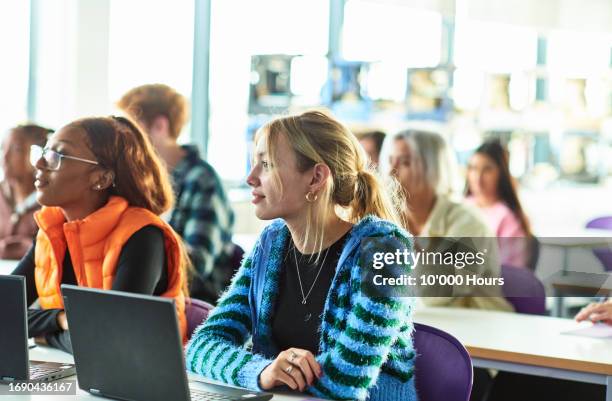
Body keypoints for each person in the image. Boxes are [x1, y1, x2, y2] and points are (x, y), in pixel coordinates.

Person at [186, 110, 417, 401]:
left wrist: (277, 375)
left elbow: (347, 378)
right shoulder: (271, 244)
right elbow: (201, 346)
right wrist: (264, 371)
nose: (251, 177)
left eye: (266, 164)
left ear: (316, 177)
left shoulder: (385, 249)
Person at [11, 116, 189, 353]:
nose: (40, 163)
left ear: (101, 178)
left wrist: (43, 335)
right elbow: (4, 313)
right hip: (73, 374)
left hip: (144, 382)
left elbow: (107, 341)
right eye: (43, 151)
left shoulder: (142, 236)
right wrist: (59, 320)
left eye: (57, 156)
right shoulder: (51, 230)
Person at [117, 84, 236, 304]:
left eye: (132, 130)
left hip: (197, 303)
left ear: (160, 126)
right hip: (156, 298)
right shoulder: (144, 181)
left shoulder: (201, 179)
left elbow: (198, 265)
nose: (126, 141)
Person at [385, 129, 512, 311]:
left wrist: (407, 244)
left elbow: (434, 293)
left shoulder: (469, 224)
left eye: (405, 162)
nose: (391, 172)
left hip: (477, 332)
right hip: (425, 329)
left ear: (432, 168)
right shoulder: (391, 218)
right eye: (390, 161)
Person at [466, 139, 533, 269]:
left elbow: (508, 273)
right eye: (473, 168)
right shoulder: (459, 207)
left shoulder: (507, 218)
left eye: (487, 170)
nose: (478, 177)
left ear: (501, 174)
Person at [0, 125, 51, 259]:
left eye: (16, 149)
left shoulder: (51, 201)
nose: (4, 157)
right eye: (2, 148)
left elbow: (45, 250)